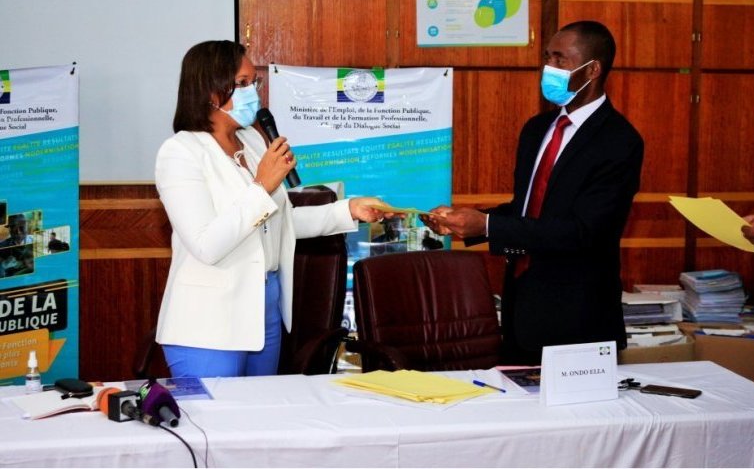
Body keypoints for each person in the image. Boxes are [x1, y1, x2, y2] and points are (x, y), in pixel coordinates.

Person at [155, 40, 395, 378]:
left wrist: (349, 210)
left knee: (262, 409)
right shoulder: (181, 152)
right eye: (241, 83)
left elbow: (279, 220)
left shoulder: (254, 141)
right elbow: (207, 244)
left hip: (265, 307)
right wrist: (262, 186)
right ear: (210, 90)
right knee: (217, 413)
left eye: (254, 82)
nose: (253, 92)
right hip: (209, 321)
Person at [422, 21, 644, 365]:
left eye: (560, 59)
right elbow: (528, 209)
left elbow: (583, 231)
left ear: (593, 69)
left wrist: (487, 225)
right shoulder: (537, 129)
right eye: (547, 57)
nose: (548, 68)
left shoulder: (619, 141)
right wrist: (464, 221)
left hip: (578, 319)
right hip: (521, 310)